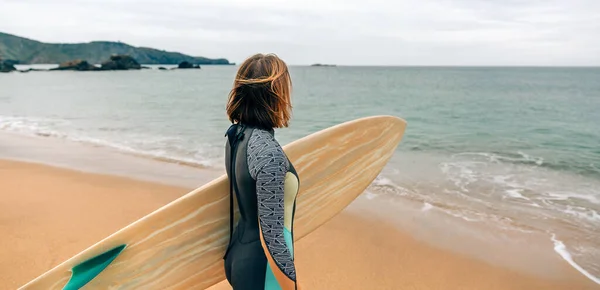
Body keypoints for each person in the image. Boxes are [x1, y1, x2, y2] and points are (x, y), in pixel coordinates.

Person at [223, 53, 301, 290]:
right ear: (276, 95)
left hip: (238, 254)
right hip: (264, 269)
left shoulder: (236, 136)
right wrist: (292, 285)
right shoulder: (269, 154)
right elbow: (272, 237)